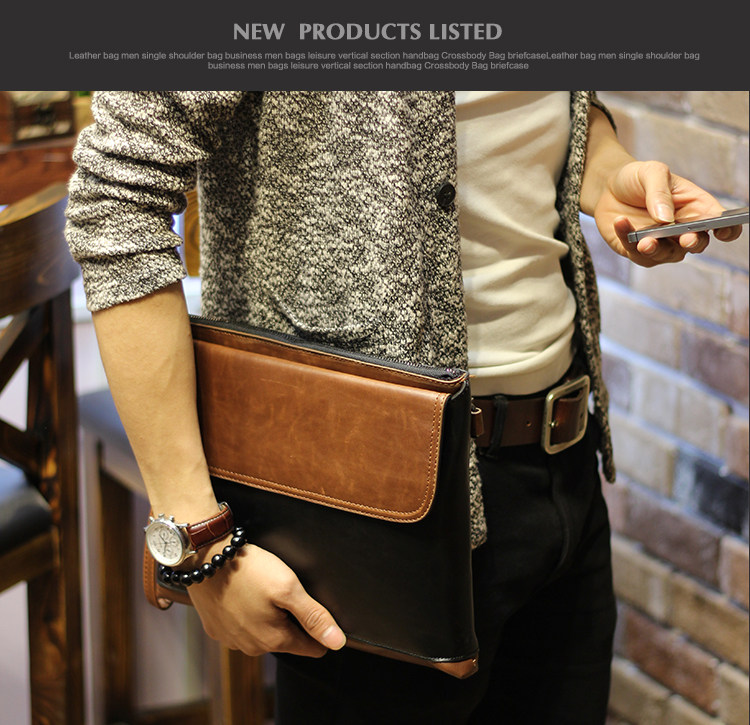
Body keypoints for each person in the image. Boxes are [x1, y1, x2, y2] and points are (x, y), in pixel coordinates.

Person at [65, 91, 741, 724]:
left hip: (564, 471)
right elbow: (116, 192)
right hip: (368, 506)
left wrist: (606, 169)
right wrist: (196, 539)